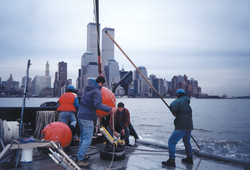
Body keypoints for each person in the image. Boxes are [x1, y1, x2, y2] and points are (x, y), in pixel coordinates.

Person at [76, 76, 117, 167]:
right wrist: (110, 109)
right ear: (101, 83)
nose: (102, 87)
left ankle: (81, 154)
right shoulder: (97, 91)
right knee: (87, 139)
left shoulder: (87, 87)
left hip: (80, 115)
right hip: (87, 117)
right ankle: (79, 159)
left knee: (83, 137)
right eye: (103, 85)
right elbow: (98, 104)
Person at [162, 89, 193, 167]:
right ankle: (189, 158)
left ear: (177, 95)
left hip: (181, 126)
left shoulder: (178, 101)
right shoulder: (187, 103)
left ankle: (171, 160)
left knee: (171, 142)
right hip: (189, 126)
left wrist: (173, 112)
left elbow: (172, 105)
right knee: (187, 142)